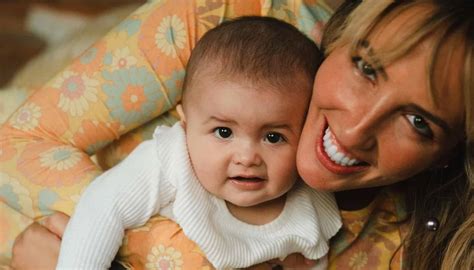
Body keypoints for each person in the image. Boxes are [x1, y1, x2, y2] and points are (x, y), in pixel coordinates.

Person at [4, 0, 473, 269]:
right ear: (335, 38)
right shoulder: (229, 25)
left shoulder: (398, 246)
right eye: (366, 67)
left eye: (418, 122)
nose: (353, 130)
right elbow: (19, 143)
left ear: (451, 153)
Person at [55, 16, 342, 269]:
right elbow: (103, 206)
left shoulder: (308, 206)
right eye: (224, 132)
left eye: (273, 137)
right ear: (186, 124)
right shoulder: (171, 161)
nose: (246, 157)